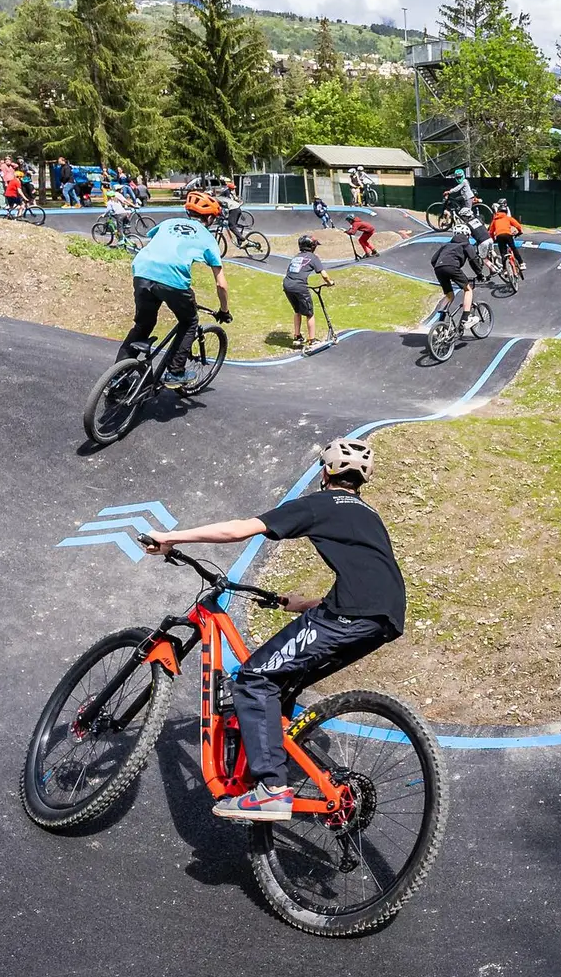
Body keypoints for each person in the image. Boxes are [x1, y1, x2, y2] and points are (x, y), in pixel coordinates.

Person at [137, 437, 404, 822]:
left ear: (325, 472)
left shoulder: (320, 503)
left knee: (252, 680)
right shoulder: (369, 515)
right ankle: (267, 754)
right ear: (364, 479)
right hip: (385, 619)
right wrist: (303, 604)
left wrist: (171, 537)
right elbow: (369, 579)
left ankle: (271, 790)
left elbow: (239, 530)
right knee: (281, 682)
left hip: (350, 613)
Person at [124, 217, 232, 386]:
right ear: (210, 218)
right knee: (190, 321)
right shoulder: (207, 237)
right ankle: (175, 371)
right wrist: (224, 311)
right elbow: (221, 285)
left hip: (142, 272)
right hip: (172, 279)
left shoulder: (168, 222)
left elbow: (155, 239)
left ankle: (117, 376)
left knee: (142, 325)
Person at [282, 235, 334, 349]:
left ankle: (297, 336)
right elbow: (324, 275)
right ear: (312, 246)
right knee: (309, 314)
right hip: (299, 286)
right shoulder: (313, 257)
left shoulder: (296, 257)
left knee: (297, 311)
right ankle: (312, 340)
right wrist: (330, 282)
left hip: (287, 284)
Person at [430, 228, 482, 333]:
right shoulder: (466, 245)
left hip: (438, 268)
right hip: (452, 267)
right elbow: (473, 260)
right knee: (468, 290)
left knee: (449, 295)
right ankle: (465, 319)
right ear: (468, 235)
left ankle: (441, 319)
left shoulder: (446, 245)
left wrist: (442, 268)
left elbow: (433, 260)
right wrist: (479, 274)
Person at [489, 201, 525, 271]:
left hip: (499, 236)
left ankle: (505, 270)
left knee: (503, 253)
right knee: (513, 248)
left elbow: (491, 231)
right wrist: (519, 232)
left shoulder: (495, 220)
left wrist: (493, 239)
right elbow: (518, 225)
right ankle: (521, 263)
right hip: (508, 234)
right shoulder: (507, 218)